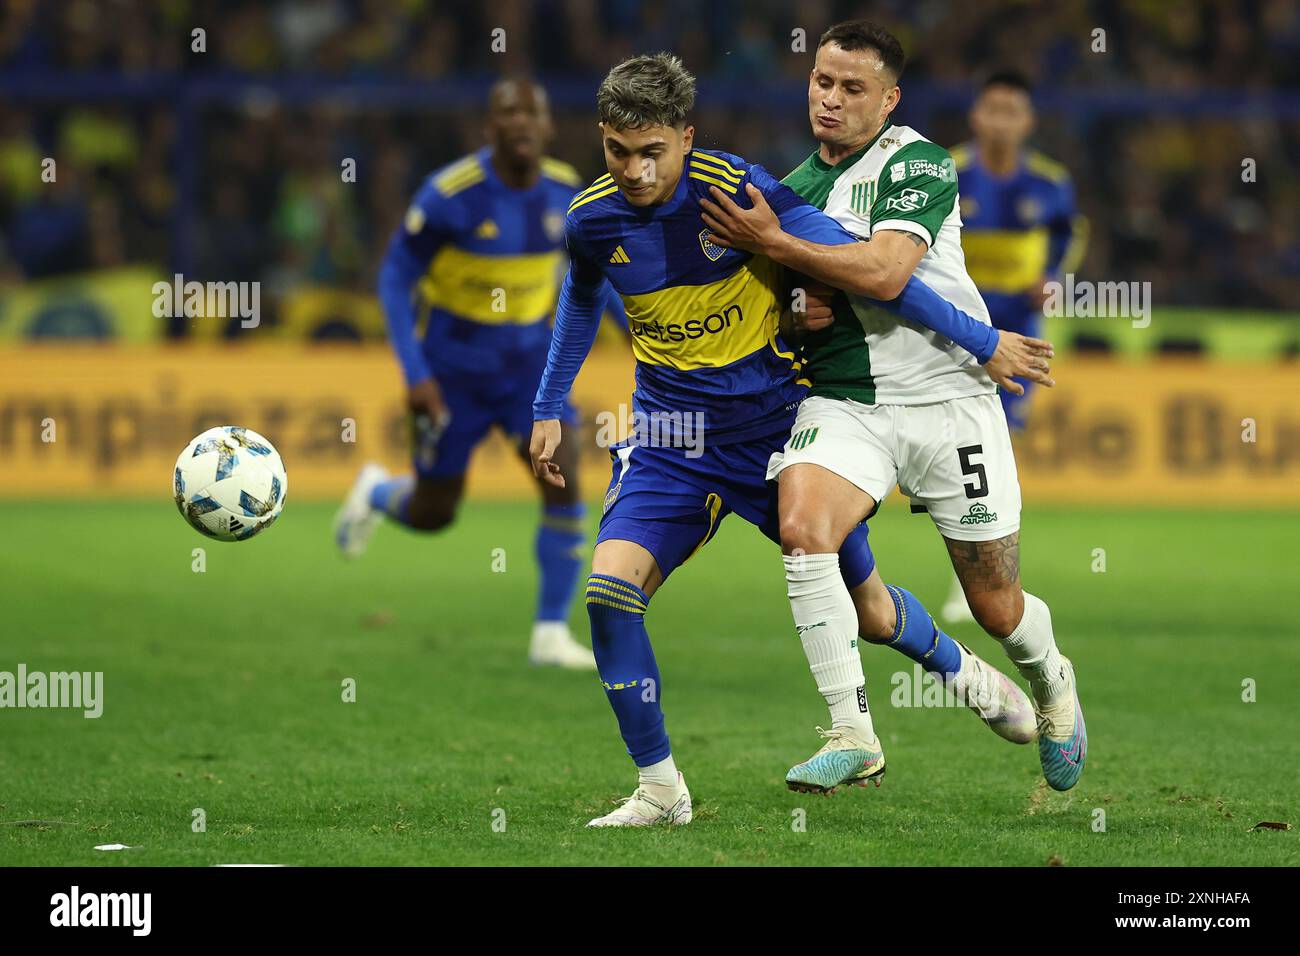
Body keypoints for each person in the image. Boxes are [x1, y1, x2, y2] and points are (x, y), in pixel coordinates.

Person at [531, 53, 1047, 827]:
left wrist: (981, 341)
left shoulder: (742, 194)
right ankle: (662, 791)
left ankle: (962, 671)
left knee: (870, 613)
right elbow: (579, 298)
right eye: (616, 151)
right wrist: (548, 402)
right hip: (670, 437)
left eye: (652, 152)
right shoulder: (591, 218)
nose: (634, 172)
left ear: (685, 136)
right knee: (608, 595)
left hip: (777, 431)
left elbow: (881, 277)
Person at [700, 20, 1087, 793]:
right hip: (848, 403)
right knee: (803, 528)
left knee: (995, 607)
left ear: (889, 99)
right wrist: (789, 314)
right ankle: (852, 730)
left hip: (948, 399)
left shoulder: (918, 161)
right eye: (822, 82)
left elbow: (883, 273)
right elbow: (774, 318)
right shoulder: (789, 191)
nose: (832, 100)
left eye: (852, 89)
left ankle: (1053, 685)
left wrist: (780, 246)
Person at [335, 78, 615, 669]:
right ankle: (380, 493)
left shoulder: (570, 191)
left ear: (546, 126)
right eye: (506, 113)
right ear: (489, 129)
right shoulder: (448, 195)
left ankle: (548, 632)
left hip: (531, 373)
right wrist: (414, 373)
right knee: (436, 512)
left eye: (531, 113)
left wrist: (641, 330)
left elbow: (595, 276)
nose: (519, 123)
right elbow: (393, 278)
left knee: (561, 481)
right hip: (450, 374)